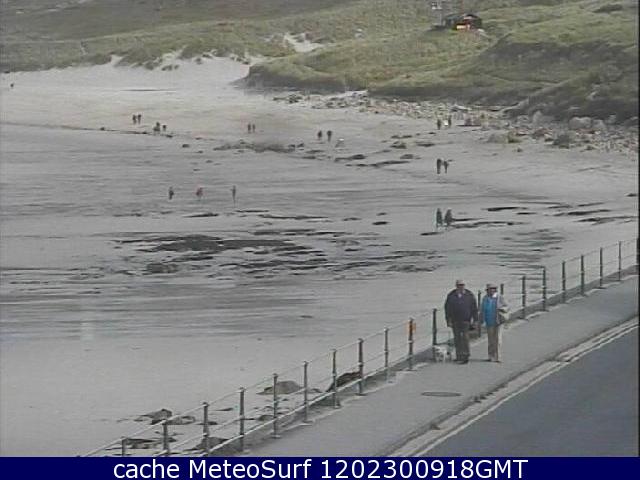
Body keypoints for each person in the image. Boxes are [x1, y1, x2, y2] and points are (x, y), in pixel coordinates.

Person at [444, 280, 478, 364]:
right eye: (459, 285)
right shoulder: (451, 295)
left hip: (466, 320)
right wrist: (448, 320)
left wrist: (475, 320)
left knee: (465, 338)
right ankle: (459, 355)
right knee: (457, 338)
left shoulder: (469, 295)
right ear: (456, 286)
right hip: (455, 320)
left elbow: (474, 308)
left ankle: (466, 355)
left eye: (462, 285)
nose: (461, 287)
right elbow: (447, 308)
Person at [479, 283, 509, 362]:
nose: (491, 291)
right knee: (490, 340)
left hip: (498, 321)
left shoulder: (499, 297)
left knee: (498, 339)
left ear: (495, 290)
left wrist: (501, 309)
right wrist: (481, 320)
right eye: (489, 289)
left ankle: (498, 356)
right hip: (489, 321)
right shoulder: (485, 298)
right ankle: (491, 356)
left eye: (492, 289)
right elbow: (482, 309)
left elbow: (506, 306)